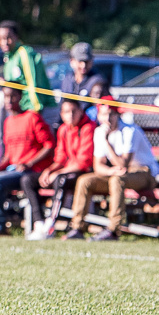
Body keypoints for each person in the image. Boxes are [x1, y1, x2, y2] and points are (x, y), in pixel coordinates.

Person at [63, 97, 158, 241]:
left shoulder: (129, 131)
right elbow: (98, 166)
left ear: (117, 115)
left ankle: (113, 230)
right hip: (117, 173)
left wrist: (106, 142)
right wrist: (110, 171)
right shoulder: (99, 132)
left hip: (145, 173)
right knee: (85, 180)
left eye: (111, 114)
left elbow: (123, 164)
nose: (107, 118)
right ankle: (77, 228)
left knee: (117, 180)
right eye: (103, 114)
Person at [0, 87, 54, 236]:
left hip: (29, 172)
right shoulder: (8, 122)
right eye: (6, 97)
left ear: (20, 97)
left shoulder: (32, 117)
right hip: (12, 170)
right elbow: (8, 155)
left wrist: (29, 163)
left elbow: (49, 146)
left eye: (13, 96)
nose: (9, 100)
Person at [22, 97, 95, 240]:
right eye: (67, 112)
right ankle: (39, 223)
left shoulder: (88, 128)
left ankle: (50, 223)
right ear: (61, 114)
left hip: (81, 173)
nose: (71, 115)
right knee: (27, 180)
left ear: (81, 111)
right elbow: (60, 158)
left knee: (60, 179)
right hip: (66, 170)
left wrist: (58, 173)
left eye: (74, 111)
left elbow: (83, 162)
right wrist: (48, 170)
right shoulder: (63, 130)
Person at [0, 21, 57, 120]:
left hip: (36, 110)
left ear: (16, 37)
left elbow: (32, 82)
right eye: (1, 39)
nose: (5, 42)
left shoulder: (23, 53)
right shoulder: (8, 58)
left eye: (8, 38)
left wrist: (35, 110)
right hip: (21, 111)